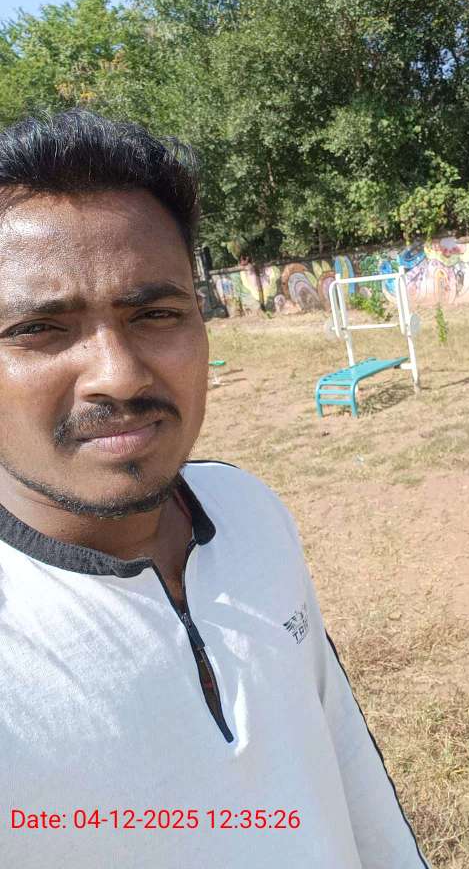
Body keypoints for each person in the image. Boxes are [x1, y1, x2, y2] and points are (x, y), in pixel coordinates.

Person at [0, 109, 430, 868]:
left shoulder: (248, 510)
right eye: (40, 329)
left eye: (156, 314)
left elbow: (337, 744)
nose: (119, 376)